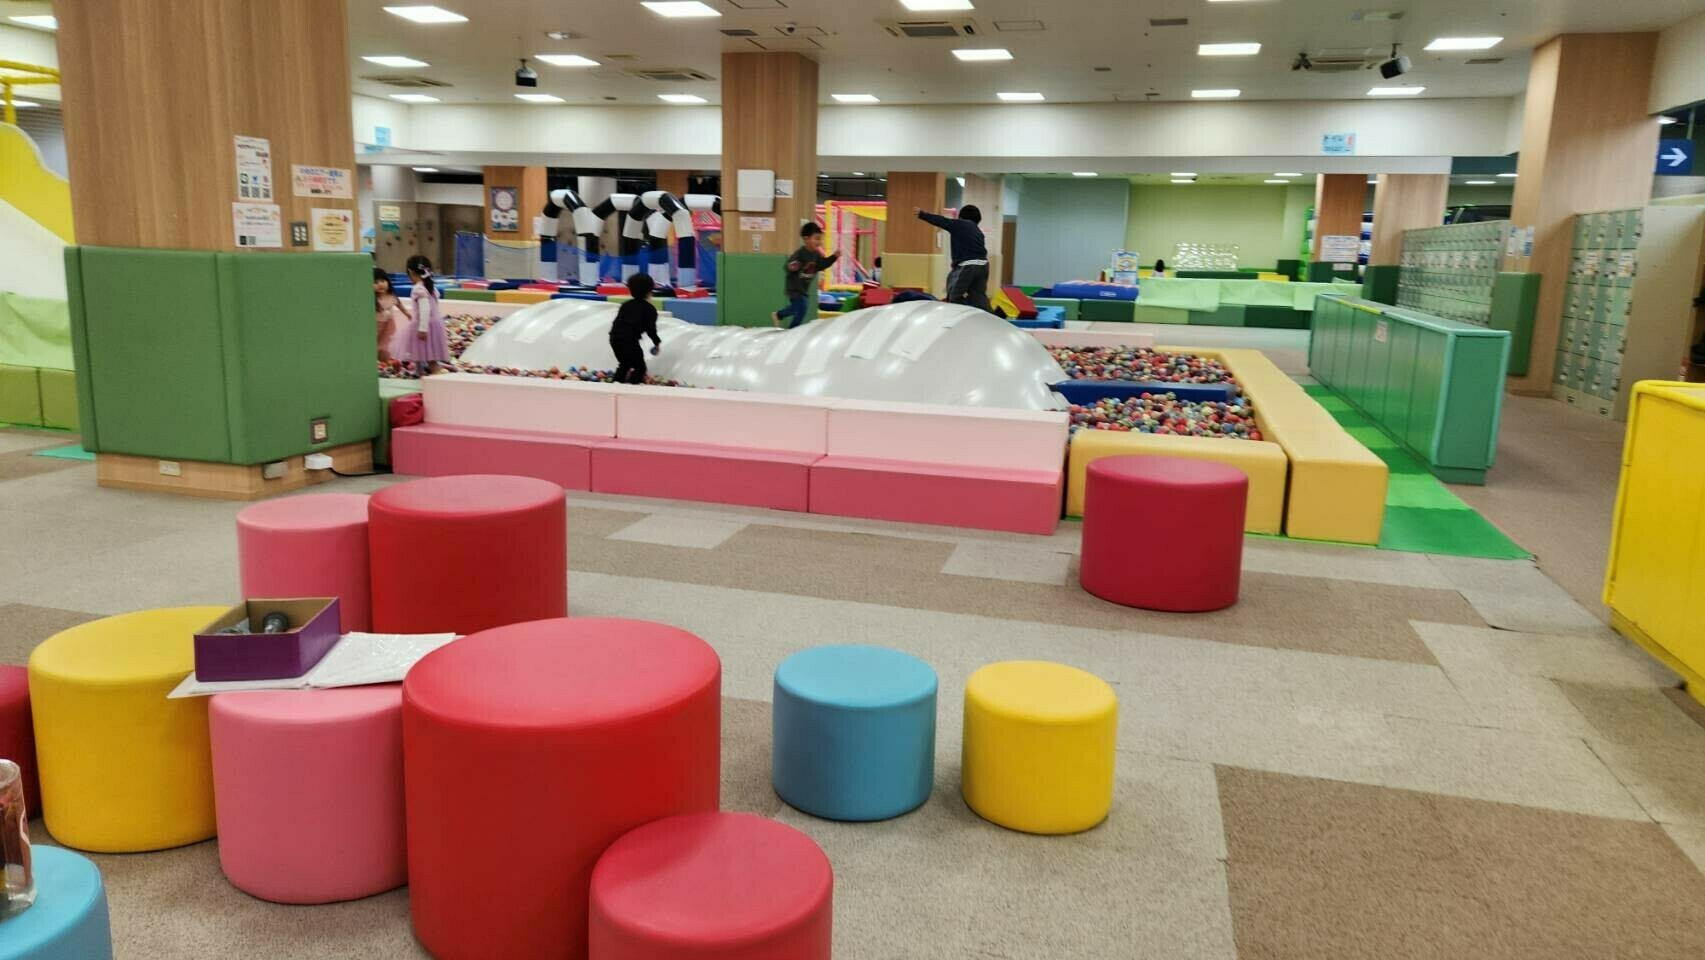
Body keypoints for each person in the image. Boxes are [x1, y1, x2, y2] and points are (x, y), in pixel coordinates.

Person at [915, 204, 992, 312]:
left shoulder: (960, 224)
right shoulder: (978, 231)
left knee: (955, 296)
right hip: (983, 265)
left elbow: (942, 221)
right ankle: (990, 317)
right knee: (978, 297)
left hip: (968, 265)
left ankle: (958, 315)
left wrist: (923, 214)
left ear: (961, 217)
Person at [772, 223, 839, 328]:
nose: (819, 242)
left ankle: (779, 315)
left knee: (798, 308)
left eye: (820, 239)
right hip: (794, 286)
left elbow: (822, 264)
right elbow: (789, 266)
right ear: (806, 239)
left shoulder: (816, 255)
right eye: (816, 239)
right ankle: (793, 329)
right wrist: (792, 266)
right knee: (802, 307)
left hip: (803, 288)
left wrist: (834, 257)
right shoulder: (800, 253)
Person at [402, 255, 451, 376]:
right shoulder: (430, 287)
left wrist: (423, 328)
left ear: (410, 272)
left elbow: (425, 309)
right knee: (421, 349)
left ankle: (435, 373)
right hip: (434, 322)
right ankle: (419, 370)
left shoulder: (418, 289)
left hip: (424, 323)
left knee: (428, 355)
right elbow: (435, 304)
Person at [610, 273, 661, 385]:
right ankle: (632, 386)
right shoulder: (649, 309)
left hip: (614, 338)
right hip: (629, 340)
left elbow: (617, 323)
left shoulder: (625, 305)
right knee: (640, 367)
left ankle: (616, 384)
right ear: (650, 291)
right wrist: (657, 343)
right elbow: (651, 330)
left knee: (625, 364)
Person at [373, 267, 406, 363]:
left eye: (382, 281)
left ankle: (384, 360)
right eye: (376, 282)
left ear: (388, 282)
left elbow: (401, 306)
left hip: (388, 325)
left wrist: (408, 315)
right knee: (375, 343)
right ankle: (377, 359)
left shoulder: (391, 296)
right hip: (376, 325)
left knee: (387, 344)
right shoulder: (373, 298)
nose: (380, 284)